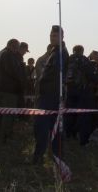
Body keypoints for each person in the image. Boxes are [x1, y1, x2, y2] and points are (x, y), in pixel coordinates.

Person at [32, 25, 68, 164]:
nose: (52, 38)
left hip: (52, 96)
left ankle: (43, 156)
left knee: (43, 126)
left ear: (62, 37)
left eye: (55, 36)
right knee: (50, 126)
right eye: (51, 35)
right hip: (47, 95)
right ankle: (54, 155)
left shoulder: (60, 53)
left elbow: (56, 74)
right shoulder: (54, 52)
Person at [0, 39, 25, 143]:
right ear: (13, 46)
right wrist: (21, 79)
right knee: (8, 114)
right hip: (9, 89)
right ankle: (5, 136)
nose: (17, 50)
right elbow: (13, 71)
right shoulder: (8, 55)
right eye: (17, 47)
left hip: (1, 88)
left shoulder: (0, 54)